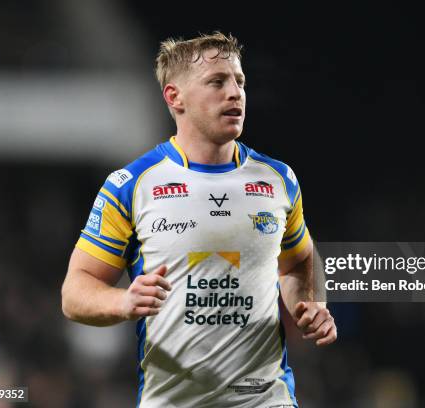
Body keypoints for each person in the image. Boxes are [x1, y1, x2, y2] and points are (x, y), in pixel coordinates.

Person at [61, 31, 337, 408]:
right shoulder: (132, 186)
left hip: (265, 399)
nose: (235, 93)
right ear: (175, 98)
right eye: (217, 82)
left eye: (239, 81)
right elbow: (75, 292)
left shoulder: (278, 179)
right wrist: (124, 301)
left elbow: (300, 260)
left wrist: (310, 304)